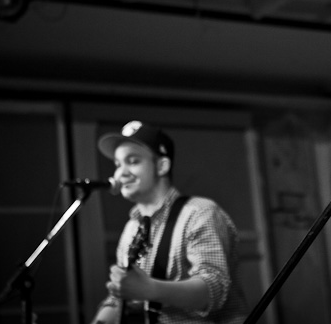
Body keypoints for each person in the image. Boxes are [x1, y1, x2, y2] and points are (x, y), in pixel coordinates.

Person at [90, 120, 248, 324]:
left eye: (133, 161)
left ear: (162, 165)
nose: (121, 174)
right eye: (118, 164)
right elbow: (121, 297)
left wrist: (150, 289)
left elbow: (213, 289)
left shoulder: (200, 212)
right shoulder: (132, 227)